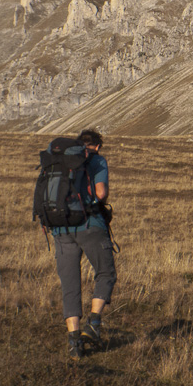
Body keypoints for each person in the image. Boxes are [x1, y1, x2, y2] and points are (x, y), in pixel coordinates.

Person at [48, 129, 117, 360]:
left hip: (60, 228)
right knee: (105, 273)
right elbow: (101, 192)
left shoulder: (59, 162)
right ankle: (94, 323)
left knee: (70, 285)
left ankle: (74, 343)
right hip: (90, 225)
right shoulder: (96, 160)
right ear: (96, 146)